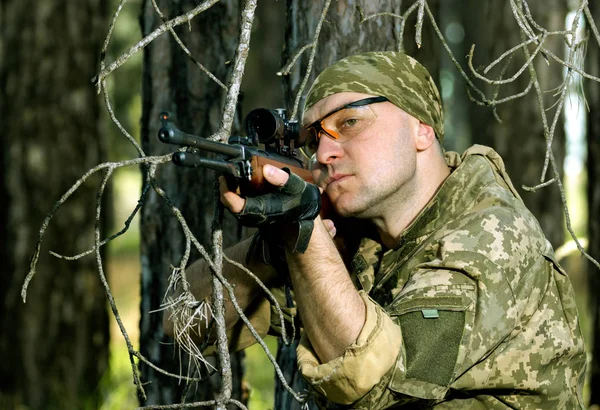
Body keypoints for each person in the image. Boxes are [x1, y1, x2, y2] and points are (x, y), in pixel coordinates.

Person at [163, 51, 587, 409]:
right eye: (313, 139)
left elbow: (372, 382)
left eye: (349, 123)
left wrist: (304, 233)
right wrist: (273, 245)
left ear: (421, 128)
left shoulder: (492, 234)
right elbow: (183, 320)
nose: (325, 152)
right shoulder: (358, 239)